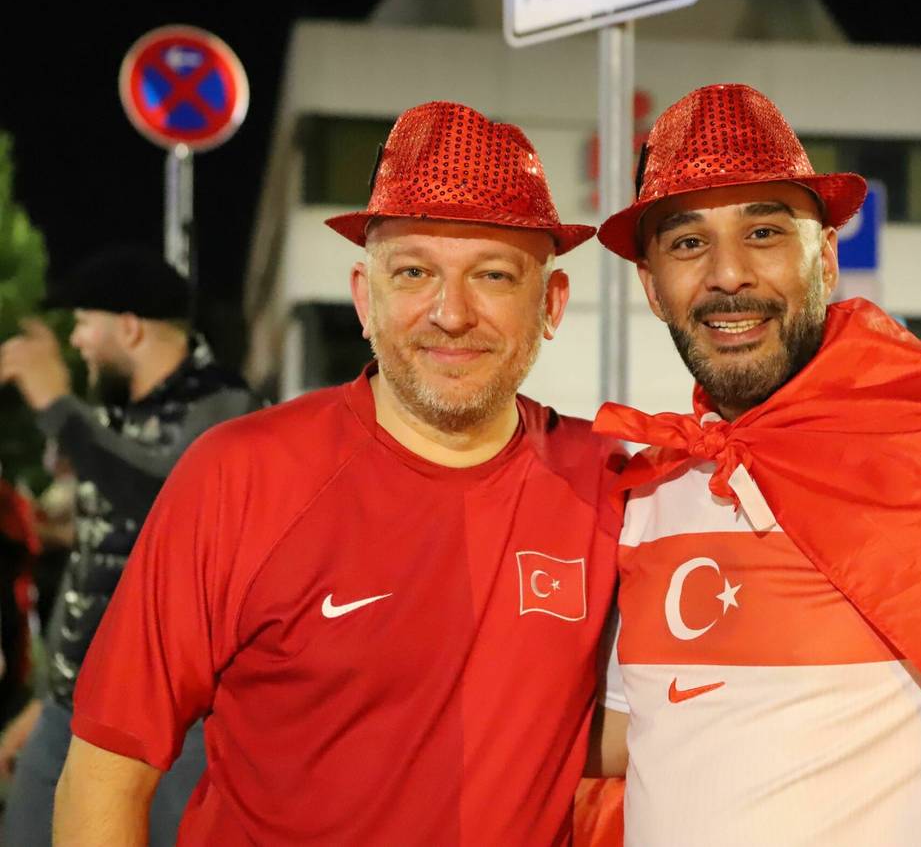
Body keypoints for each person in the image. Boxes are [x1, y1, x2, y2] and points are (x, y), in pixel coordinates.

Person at [52, 101, 626, 846]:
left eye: (492, 274)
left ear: (549, 304)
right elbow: (105, 774)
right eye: (414, 271)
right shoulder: (239, 476)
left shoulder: (609, 481)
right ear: (365, 297)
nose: (451, 313)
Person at [585, 84, 921, 846]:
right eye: (688, 243)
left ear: (825, 256)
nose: (728, 275)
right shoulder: (655, 484)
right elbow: (648, 726)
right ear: (652, 286)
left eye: (763, 232)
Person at [0, 247, 262, 845]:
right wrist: (48, 700)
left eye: (85, 324)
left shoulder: (227, 407)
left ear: (128, 326)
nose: (80, 343)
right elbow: (95, 563)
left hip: (169, 722)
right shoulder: (116, 417)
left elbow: (169, 501)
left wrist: (58, 409)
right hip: (72, 711)